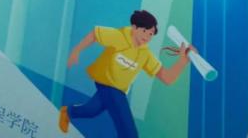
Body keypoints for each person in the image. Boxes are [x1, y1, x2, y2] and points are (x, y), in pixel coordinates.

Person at [60, 10, 194, 137]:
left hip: (119, 89)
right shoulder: (119, 36)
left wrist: (182, 61)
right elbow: (95, 34)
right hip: (108, 85)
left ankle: (68, 112)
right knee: (129, 133)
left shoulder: (145, 55)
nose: (147, 36)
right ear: (134, 28)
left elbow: (167, 78)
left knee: (92, 110)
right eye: (144, 31)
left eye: (151, 34)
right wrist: (77, 50)